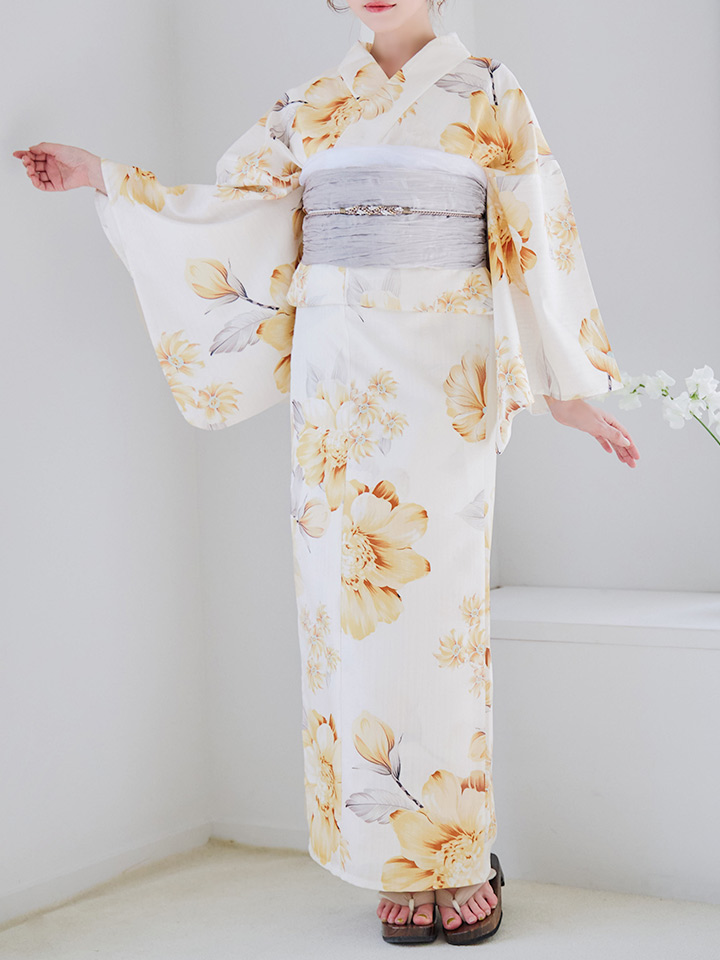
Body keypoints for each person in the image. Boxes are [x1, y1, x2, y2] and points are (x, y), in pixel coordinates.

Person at [13, 0, 640, 945]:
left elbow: (532, 234)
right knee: (352, 624)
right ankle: (391, 858)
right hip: (339, 389)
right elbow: (228, 213)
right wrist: (104, 176)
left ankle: (459, 852)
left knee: (442, 615)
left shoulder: (487, 90)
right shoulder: (310, 105)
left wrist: (565, 394)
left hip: (447, 383)